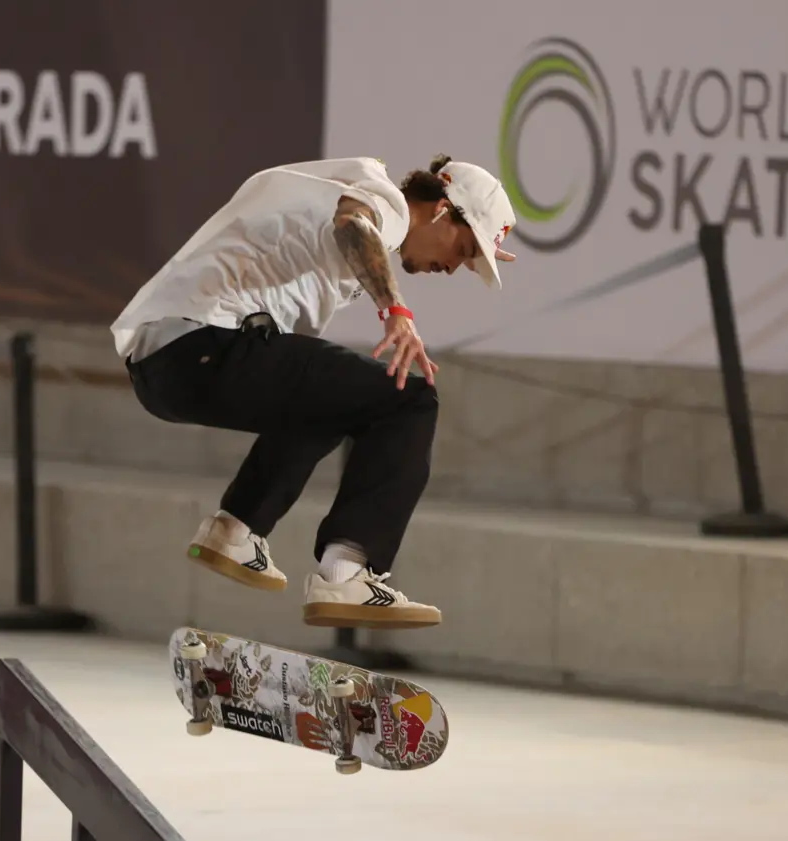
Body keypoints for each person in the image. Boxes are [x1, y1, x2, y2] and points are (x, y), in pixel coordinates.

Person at [110, 154, 516, 630]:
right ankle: (348, 571)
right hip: (206, 341)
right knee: (411, 399)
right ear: (444, 211)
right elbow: (353, 225)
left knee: (331, 397)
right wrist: (395, 312)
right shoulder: (382, 199)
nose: (453, 268)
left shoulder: (337, 190)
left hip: (166, 366)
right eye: (465, 249)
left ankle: (235, 529)